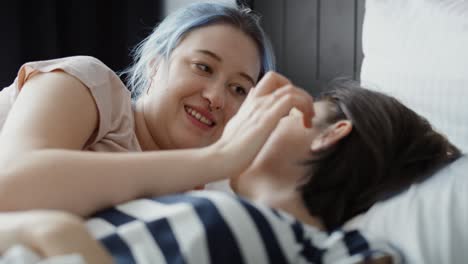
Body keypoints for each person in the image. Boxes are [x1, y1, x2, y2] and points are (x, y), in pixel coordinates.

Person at [1, 81, 459, 263]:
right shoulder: (191, 194)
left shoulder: (340, 251)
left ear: (330, 133)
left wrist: (58, 236)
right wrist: (48, 229)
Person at [0, 2, 313, 217]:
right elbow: (10, 187)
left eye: (239, 89)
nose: (216, 97)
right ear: (154, 67)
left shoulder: (210, 192)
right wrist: (216, 160)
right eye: (203, 67)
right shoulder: (89, 85)